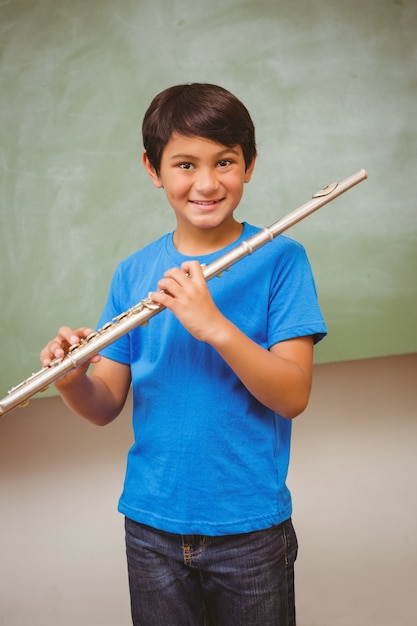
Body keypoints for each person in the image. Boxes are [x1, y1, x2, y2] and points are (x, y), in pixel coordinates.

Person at [41, 83, 327, 626]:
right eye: (184, 164)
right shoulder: (133, 272)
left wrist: (214, 325)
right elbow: (104, 405)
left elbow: (292, 396)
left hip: (248, 528)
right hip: (151, 526)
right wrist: (72, 377)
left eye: (225, 162)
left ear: (249, 166)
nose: (206, 182)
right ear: (153, 169)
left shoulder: (282, 260)